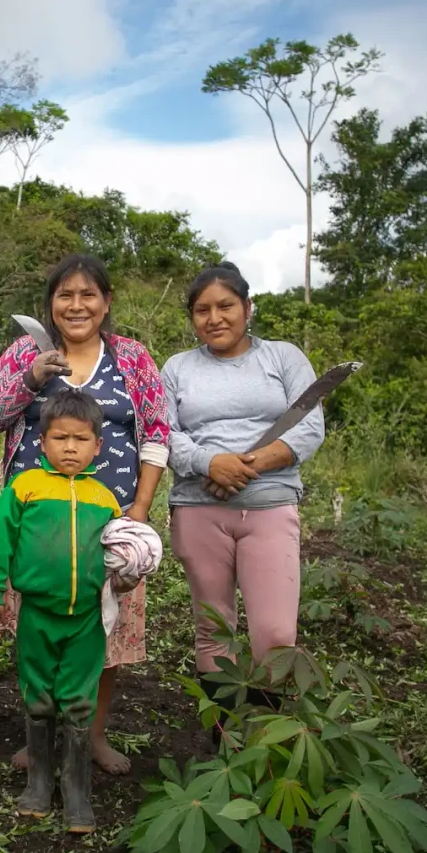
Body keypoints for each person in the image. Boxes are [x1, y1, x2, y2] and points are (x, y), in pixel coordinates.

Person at [0, 253, 170, 775]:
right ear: (51, 303)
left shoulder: (131, 357)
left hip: (109, 524)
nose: (77, 305)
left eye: (88, 294)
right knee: (39, 633)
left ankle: (92, 736)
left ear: (106, 303)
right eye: (65, 295)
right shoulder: (25, 351)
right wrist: (30, 380)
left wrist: (139, 510)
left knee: (103, 636)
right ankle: (40, 736)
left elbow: (156, 431)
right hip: (38, 525)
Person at [162, 262, 325, 699]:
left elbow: (309, 427)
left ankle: (266, 731)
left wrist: (243, 466)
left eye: (226, 306)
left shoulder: (283, 357)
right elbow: (164, 434)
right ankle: (223, 730)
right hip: (199, 509)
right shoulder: (177, 368)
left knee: (276, 634)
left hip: (269, 505)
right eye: (202, 310)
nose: (214, 318)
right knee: (213, 628)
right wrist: (209, 462)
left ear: (247, 308)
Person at [0, 390, 121, 833]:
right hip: (37, 615)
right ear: (42, 441)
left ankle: (77, 792)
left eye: (81, 439)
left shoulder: (106, 500)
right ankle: (39, 783)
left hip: (86, 621)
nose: (70, 447)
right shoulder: (25, 487)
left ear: (98, 445)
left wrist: (129, 573)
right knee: (38, 696)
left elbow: (120, 556)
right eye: (60, 438)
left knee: (79, 700)